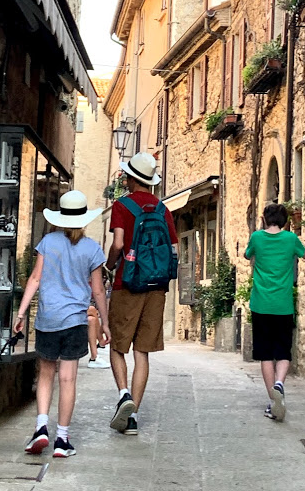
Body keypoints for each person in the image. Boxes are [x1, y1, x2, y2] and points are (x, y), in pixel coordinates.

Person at [13, 190, 110, 457]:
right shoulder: (92, 249)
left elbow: (35, 278)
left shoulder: (48, 242)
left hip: (48, 318)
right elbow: (98, 290)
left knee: (46, 374)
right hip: (76, 321)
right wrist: (105, 323)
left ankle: (41, 428)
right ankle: (62, 440)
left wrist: (21, 313)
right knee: (68, 379)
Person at [105, 152, 178, 435]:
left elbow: (118, 243)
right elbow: (174, 249)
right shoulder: (163, 209)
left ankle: (124, 394)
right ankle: (133, 416)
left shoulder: (122, 205)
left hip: (128, 283)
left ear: (130, 178)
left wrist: (109, 266)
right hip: (156, 286)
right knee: (142, 351)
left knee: (117, 345)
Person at [244, 202, 305, 421]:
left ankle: (273, 402)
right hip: (283, 305)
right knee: (283, 351)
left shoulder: (257, 237)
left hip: (261, 304)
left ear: (265, 219)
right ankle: (280, 384)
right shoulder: (291, 239)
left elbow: (247, 255)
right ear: (285, 221)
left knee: (265, 354)